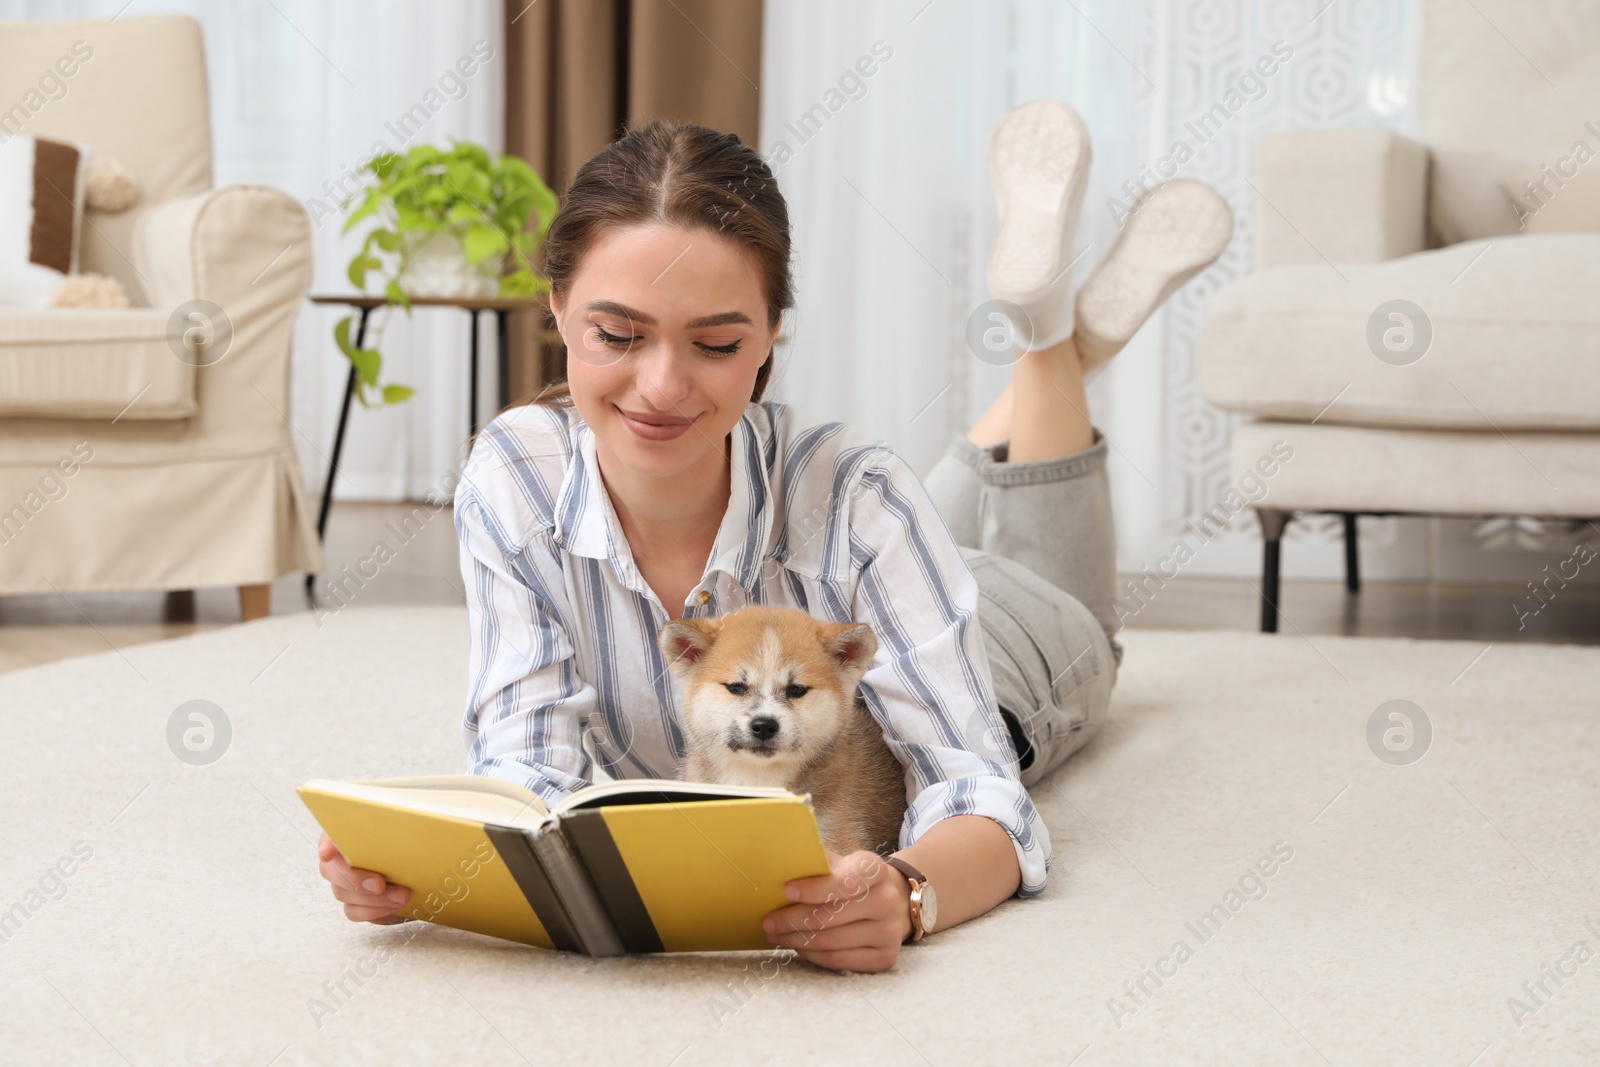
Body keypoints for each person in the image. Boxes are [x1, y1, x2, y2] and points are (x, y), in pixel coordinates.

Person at [315, 101, 1232, 973]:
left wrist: (910, 894)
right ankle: (1059, 338)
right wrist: (441, 869)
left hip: (1014, 642)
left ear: (770, 338)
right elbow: (525, 766)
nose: (663, 386)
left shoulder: (862, 496)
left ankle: (1042, 339)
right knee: (899, 497)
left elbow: (983, 789)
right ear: (557, 308)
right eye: (616, 333)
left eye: (715, 345)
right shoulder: (514, 478)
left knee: (1079, 615)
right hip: (886, 567)